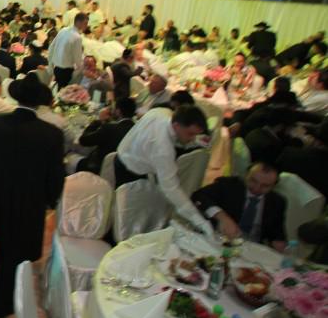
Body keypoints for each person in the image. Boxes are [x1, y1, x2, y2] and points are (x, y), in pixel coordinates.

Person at [0, 78, 65, 318]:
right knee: (18, 248)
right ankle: (3, 302)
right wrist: (50, 200)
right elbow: (56, 176)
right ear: (40, 103)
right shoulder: (52, 134)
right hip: (30, 200)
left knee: (0, 237)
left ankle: (2, 272)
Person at [115, 105, 214, 237]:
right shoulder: (163, 150)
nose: (192, 137)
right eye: (190, 134)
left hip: (124, 153)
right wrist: (201, 222)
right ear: (177, 125)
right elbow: (171, 189)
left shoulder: (162, 112)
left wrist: (195, 140)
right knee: (127, 218)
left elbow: (171, 137)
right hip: (130, 170)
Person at [192, 162, 287, 251]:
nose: (257, 188)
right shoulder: (229, 185)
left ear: (274, 186)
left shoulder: (277, 202)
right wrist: (222, 217)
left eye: (265, 186)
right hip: (218, 241)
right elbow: (198, 196)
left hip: (252, 249)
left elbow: (277, 234)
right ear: (246, 175)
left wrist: (279, 243)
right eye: (253, 181)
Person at [76, 97, 137, 174]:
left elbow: (83, 140)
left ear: (118, 111)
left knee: (71, 157)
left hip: (100, 169)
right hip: (125, 171)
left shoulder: (109, 128)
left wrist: (98, 121)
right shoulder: (137, 129)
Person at [48, 12, 87, 88]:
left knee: (59, 89)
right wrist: (82, 69)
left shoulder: (63, 30)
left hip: (56, 68)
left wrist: (50, 64)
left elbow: (52, 46)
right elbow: (77, 59)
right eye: (85, 23)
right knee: (64, 91)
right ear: (79, 22)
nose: (86, 26)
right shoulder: (77, 37)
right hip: (66, 71)